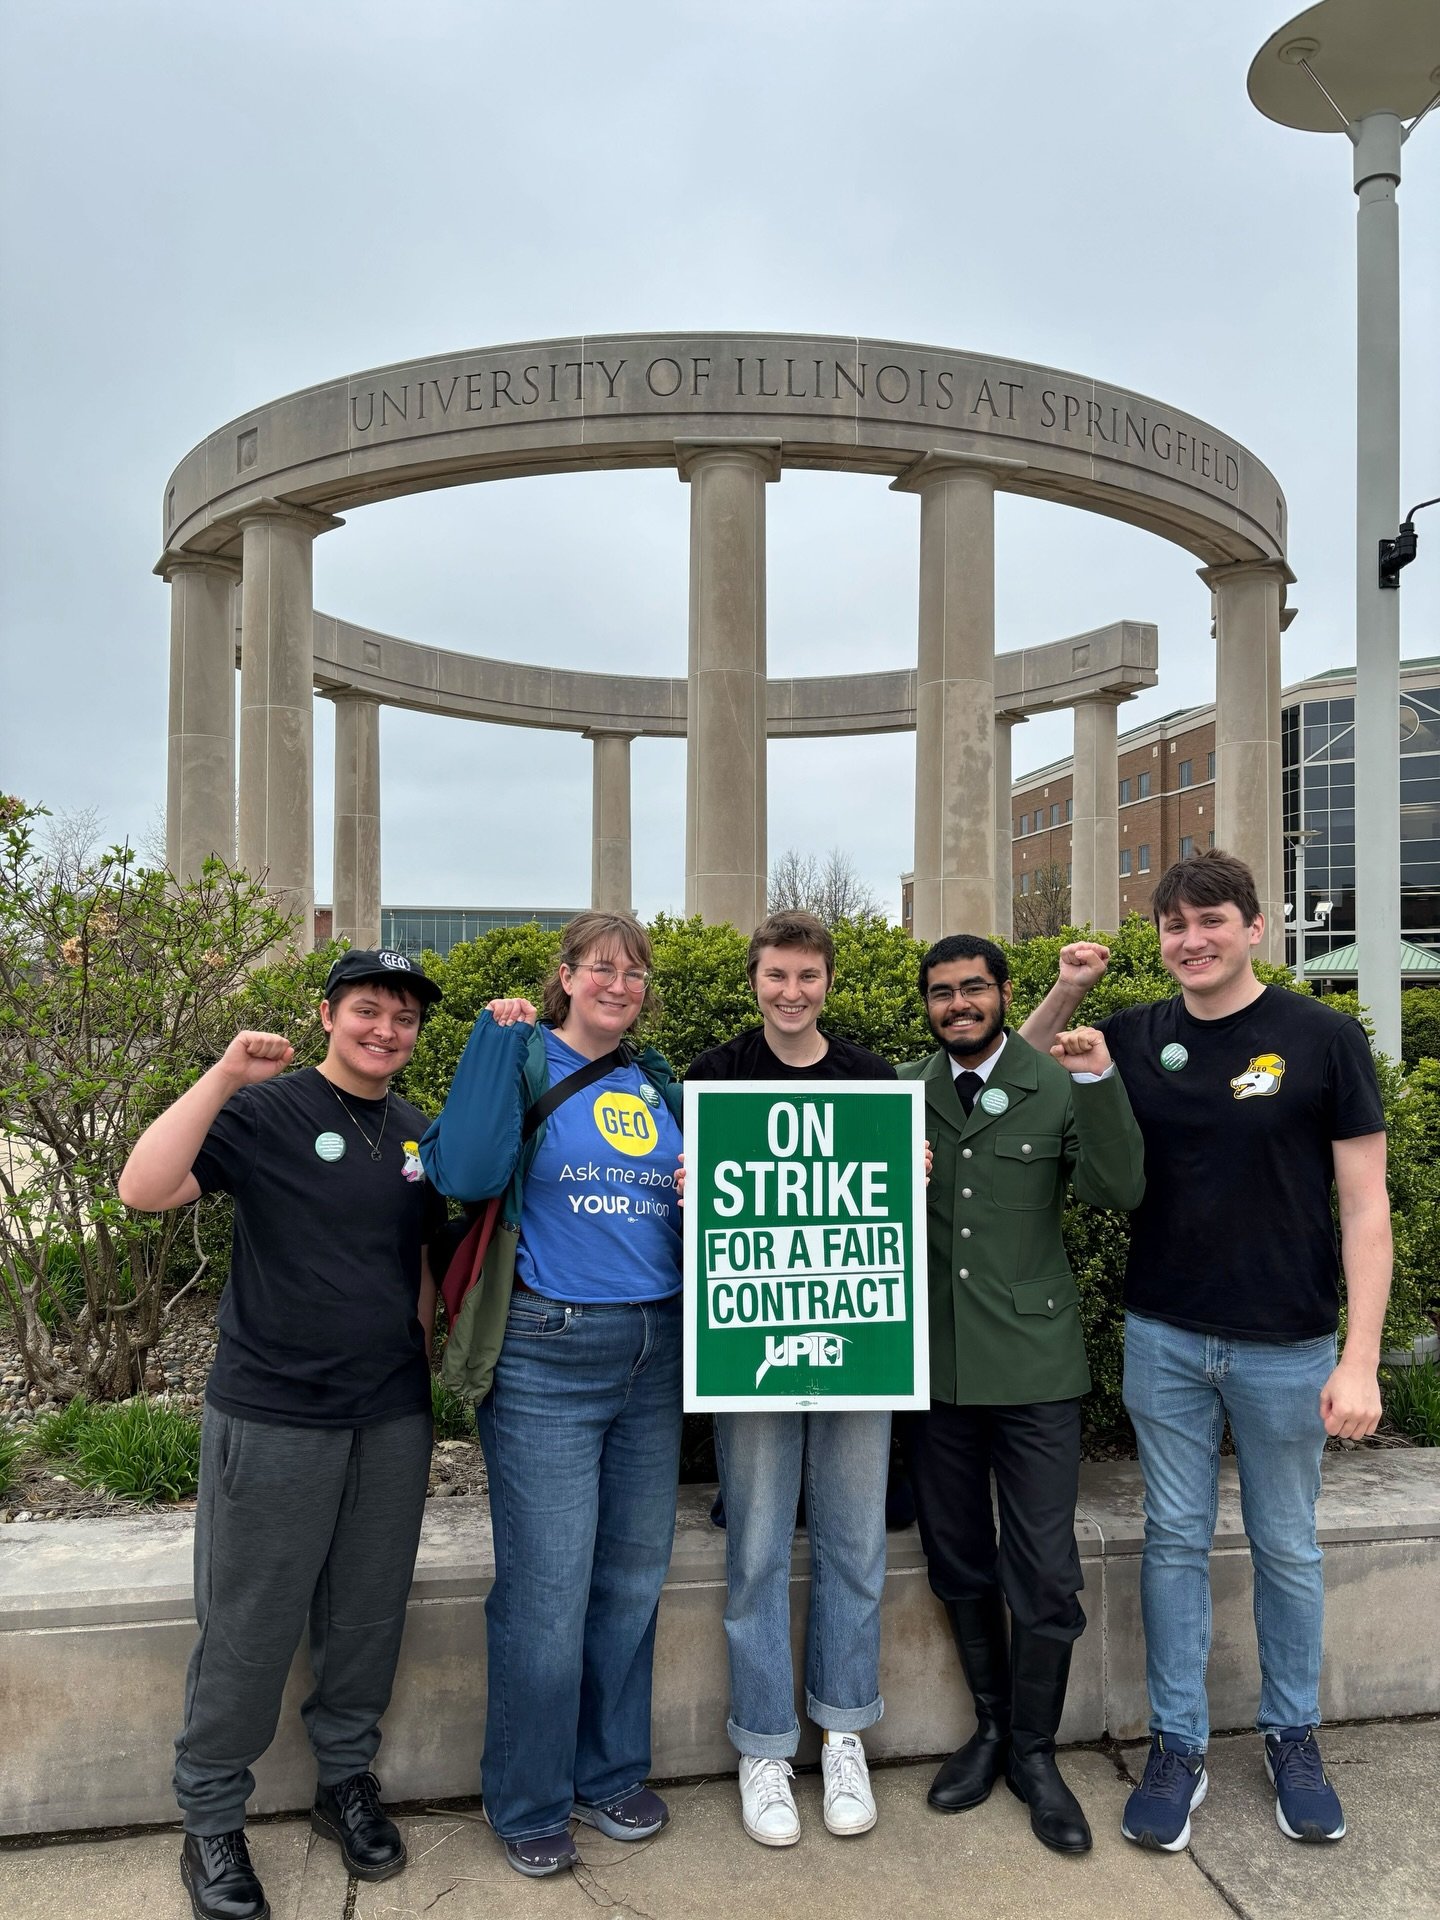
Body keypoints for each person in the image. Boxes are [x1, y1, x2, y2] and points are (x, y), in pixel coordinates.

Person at [1021, 848, 1391, 1850]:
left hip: (1289, 1344)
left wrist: (1360, 1358)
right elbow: (1017, 1069)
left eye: (1212, 920)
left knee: (1288, 1546)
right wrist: (1067, 989)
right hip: (1168, 1334)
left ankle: (1293, 1737)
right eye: (1175, 925)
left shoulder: (1323, 1038)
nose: (1192, 940)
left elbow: (1366, 1207)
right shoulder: (1140, 1034)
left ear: (1254, 928)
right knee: (1174, 1542)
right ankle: (1178, 1746)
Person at [118, 948, 446, 1920]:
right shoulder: (266, 1112)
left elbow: (420, 1266)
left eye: (404, 1017)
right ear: (329, 1014)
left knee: (368, 1618)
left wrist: (425, 1366)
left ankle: (345, 1780)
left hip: (390, 1415)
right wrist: (223, 1074)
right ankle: (212, 1818)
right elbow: (144, 1187)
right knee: (250, 1625)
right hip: (275, 1414)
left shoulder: (418, 1132)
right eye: (368, 1010)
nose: (386, 1030)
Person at [419, 911, 684, 1880]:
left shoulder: (656, 1081)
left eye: (634, 972)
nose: (618, 984)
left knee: (631, 1579)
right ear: (565, 976)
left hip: (656, 1349)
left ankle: (608, 1772)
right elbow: (466, 1171)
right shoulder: (524, 1056)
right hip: (546, 1350)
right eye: (600, 967)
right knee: (546, 1591)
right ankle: (528, 1797)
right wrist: (492, 1048)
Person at [896, 932, 1144, 1854]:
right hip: (935, 1367)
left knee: (1044, 1570)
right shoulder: (899, 1093)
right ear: (927, 1004)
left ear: (1003, 992)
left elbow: (1118, 1189)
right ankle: (993, 1730)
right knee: (958, 1558)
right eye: (941, 992)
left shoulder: (1056, 1080)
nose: (958, 1004)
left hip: (1034, 1367)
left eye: (973, 988)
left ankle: (1037, 1756)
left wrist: (1100, 1082)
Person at [686, 911, 898, 1847]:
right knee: (757, 1551)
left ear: (828, 983)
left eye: (808, 977)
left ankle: (844, 1731)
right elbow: (697, 1213)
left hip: (858, 1341)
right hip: (752, 1346)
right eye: (776, 975)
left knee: (855, 1544)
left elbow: (885, 1200)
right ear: (754, 979)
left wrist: (906, 1169)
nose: (791, 992)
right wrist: (692, 1186)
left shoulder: (871, 1079)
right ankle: (765, 1745)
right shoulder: (714, 1075)